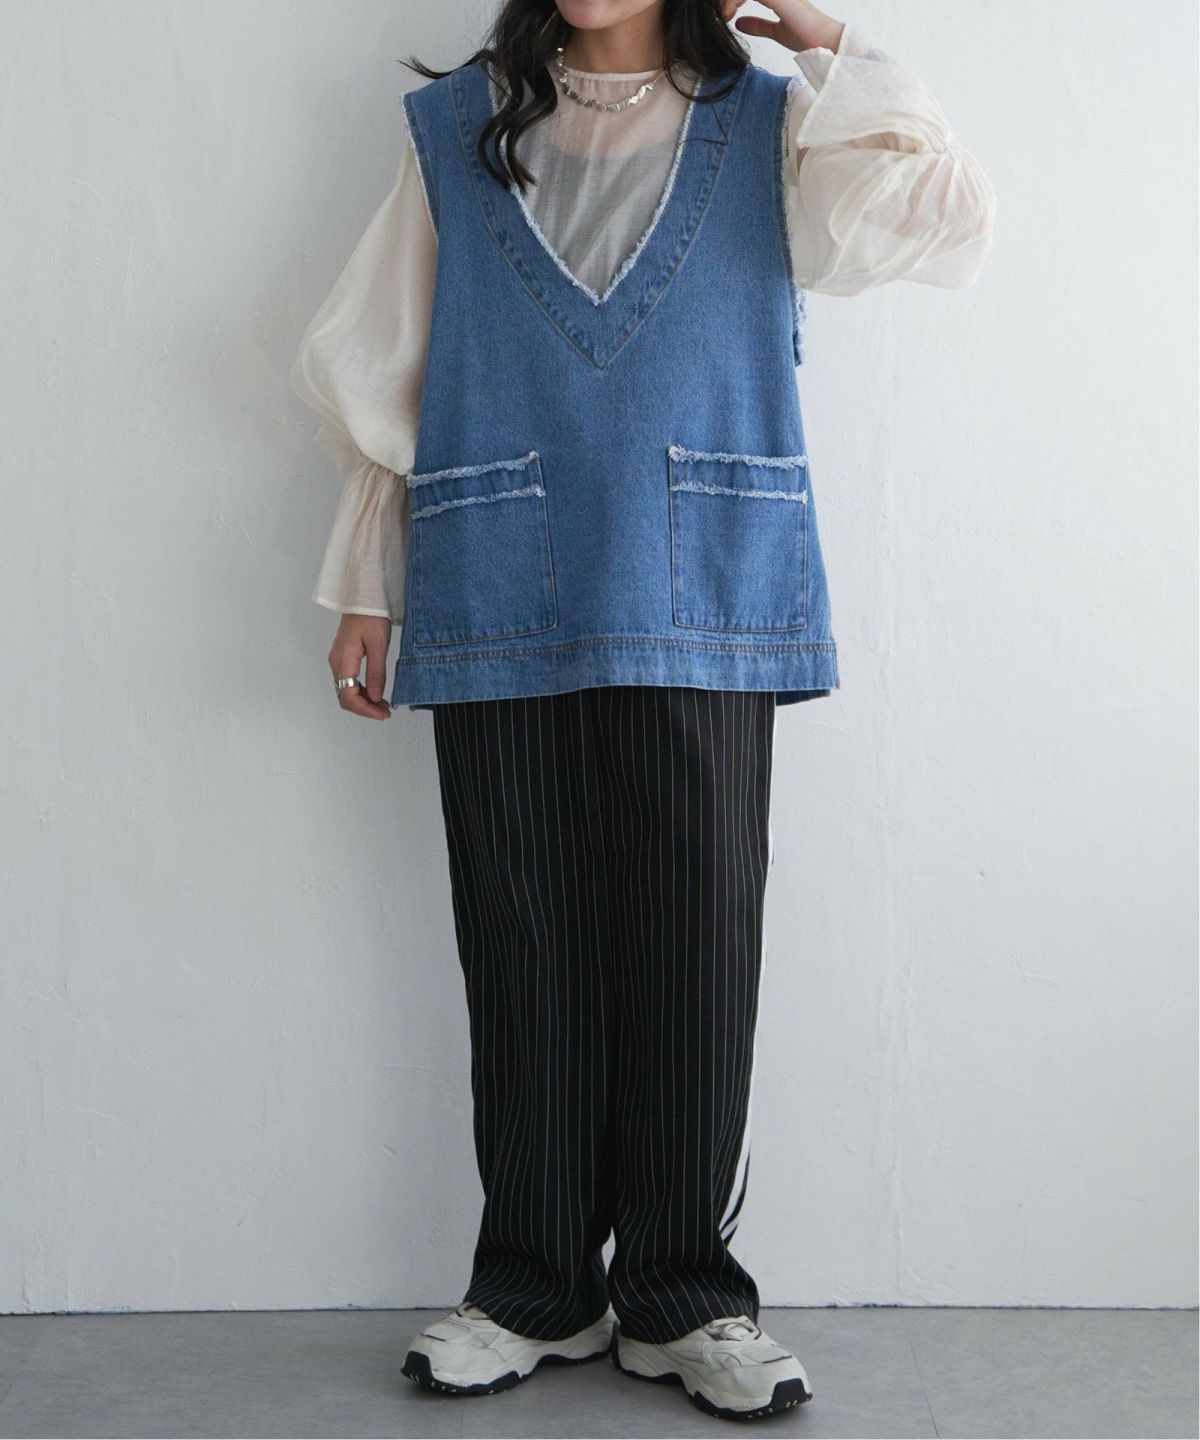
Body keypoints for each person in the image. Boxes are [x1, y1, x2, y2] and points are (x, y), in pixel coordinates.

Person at [289, 0, 995, 1420]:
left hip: (707, 583)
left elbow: (941, 217)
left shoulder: (776, 126)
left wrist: (833, 45)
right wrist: (366, 579)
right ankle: (534, 1289)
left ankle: (683, 1296)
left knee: (696, 948)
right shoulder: (458, 131)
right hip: (498, 570)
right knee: (522, 939)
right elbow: (385, 368)